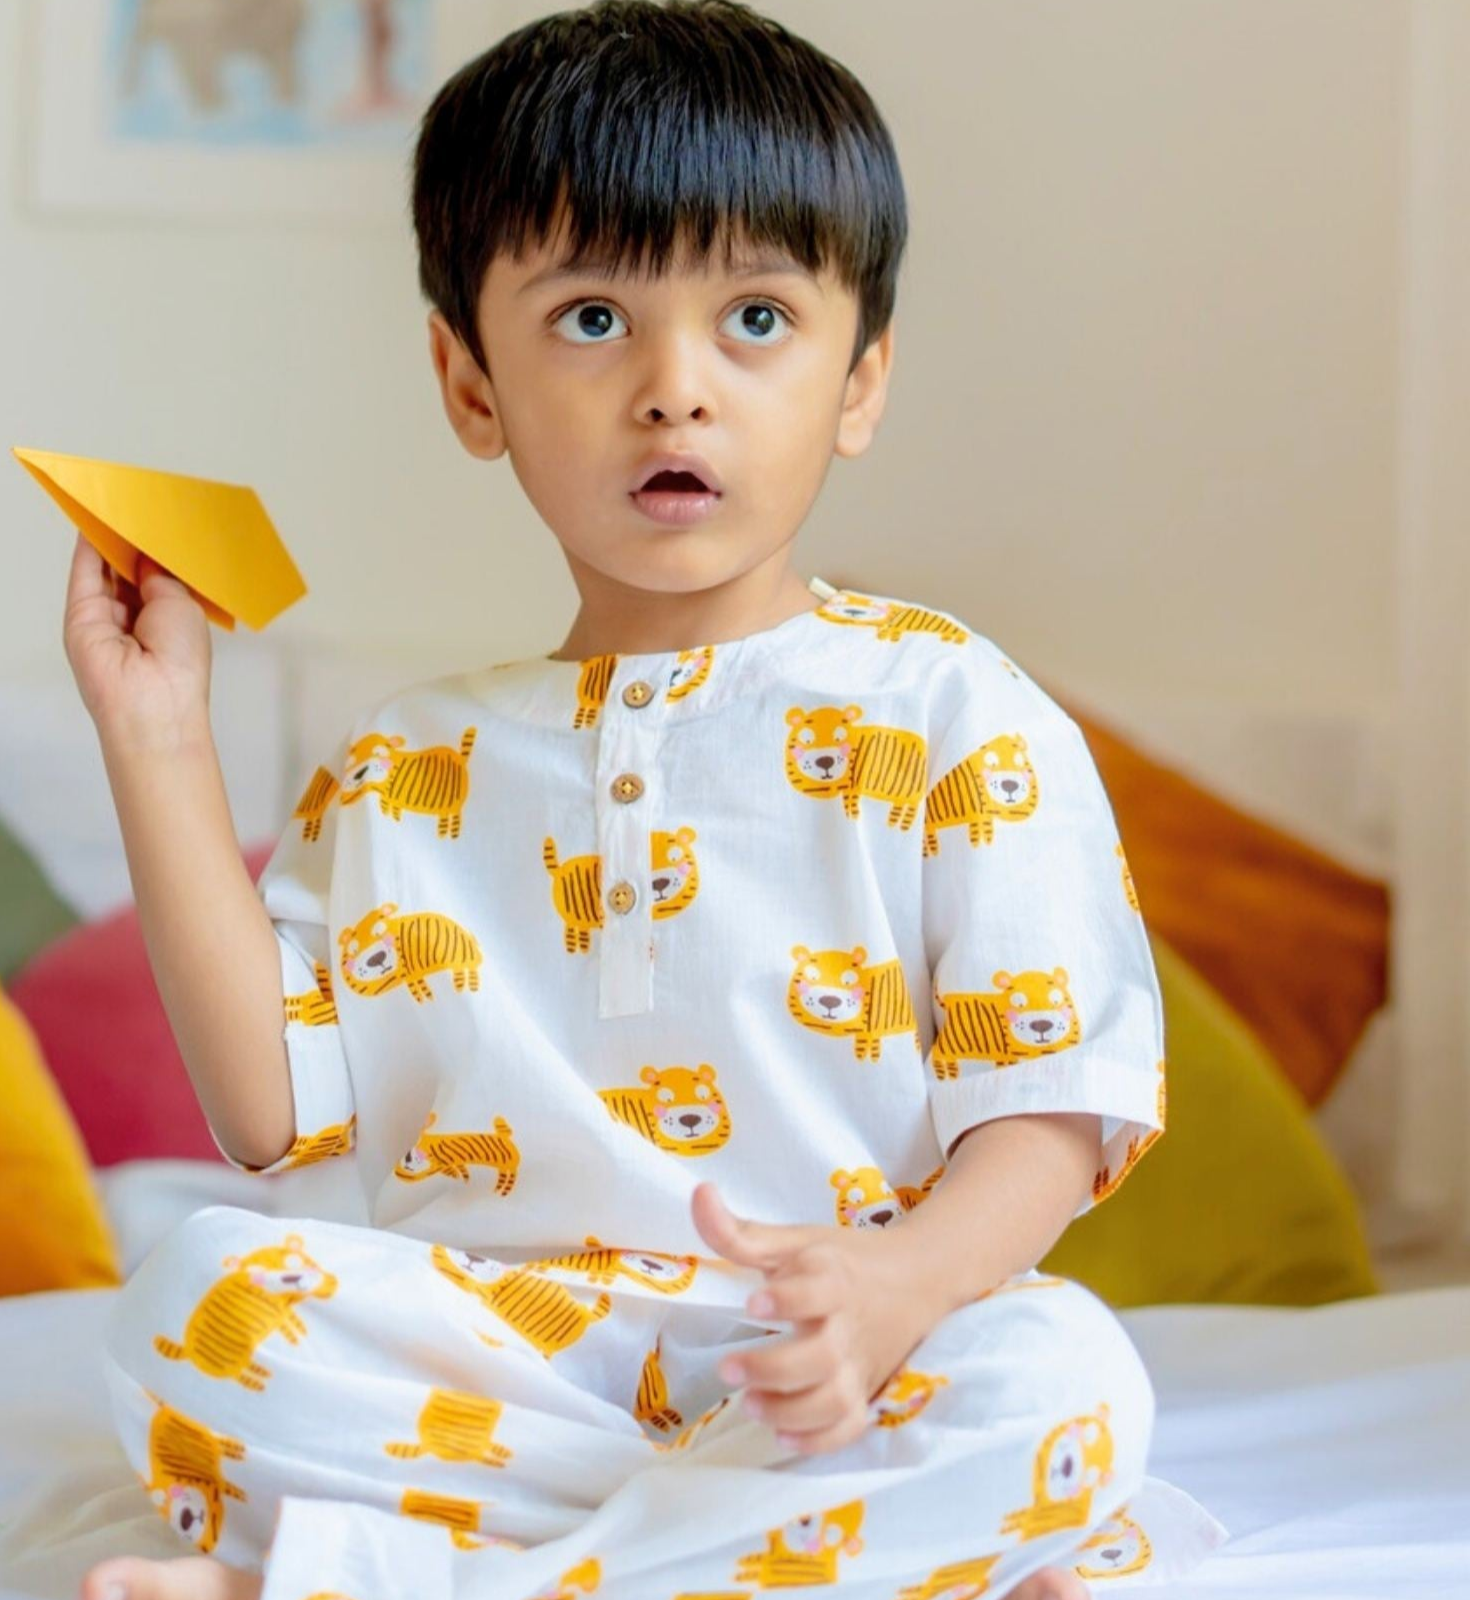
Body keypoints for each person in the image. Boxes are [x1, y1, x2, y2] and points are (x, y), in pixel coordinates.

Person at [62, 4, 1228, 1598]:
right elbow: (270, 1121)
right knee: (187, 1301)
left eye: (756, 317)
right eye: (595, 320)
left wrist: (898, 1291)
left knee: (1064, 1375)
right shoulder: (406, 767)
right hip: (508, 1370)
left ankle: (410, 1578)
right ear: (471, 385)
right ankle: (803, 1562)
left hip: (832, 1352)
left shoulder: (955, 714)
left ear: (859, 381)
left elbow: (1051, 1101)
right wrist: (158, 734)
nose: (678, 389)